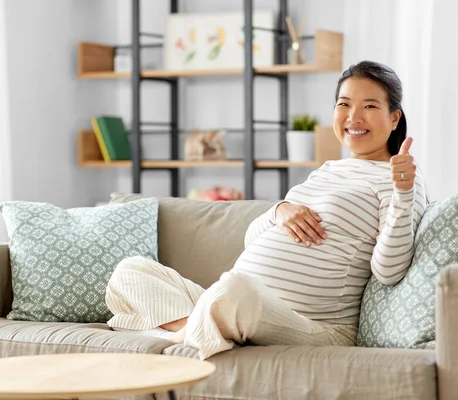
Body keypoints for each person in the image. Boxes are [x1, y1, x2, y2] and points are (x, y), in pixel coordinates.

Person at [105, 60, 428, 360]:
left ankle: (176, 335)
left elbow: (389, 271)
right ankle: (200, 327)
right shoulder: (327, 171)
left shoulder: (400, 180)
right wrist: (280, 211)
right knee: (131, 270)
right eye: (344, 104)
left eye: (369, 106)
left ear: (394, 117)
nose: (353, 117)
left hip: (314, 326)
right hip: (245, 303)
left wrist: (402, 193)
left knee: (233, 290)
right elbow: (252, 238)